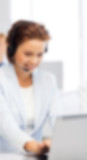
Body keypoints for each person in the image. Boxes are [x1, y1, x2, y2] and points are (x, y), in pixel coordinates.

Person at [0, 20, 58, 154]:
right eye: (28, 54)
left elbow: (58, 119)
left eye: (39, 55)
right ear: (11, 50)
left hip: (36, 155)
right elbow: (5, 123)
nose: (34, 61)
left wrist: (57, 140)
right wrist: (32, 145)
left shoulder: (48, 80)